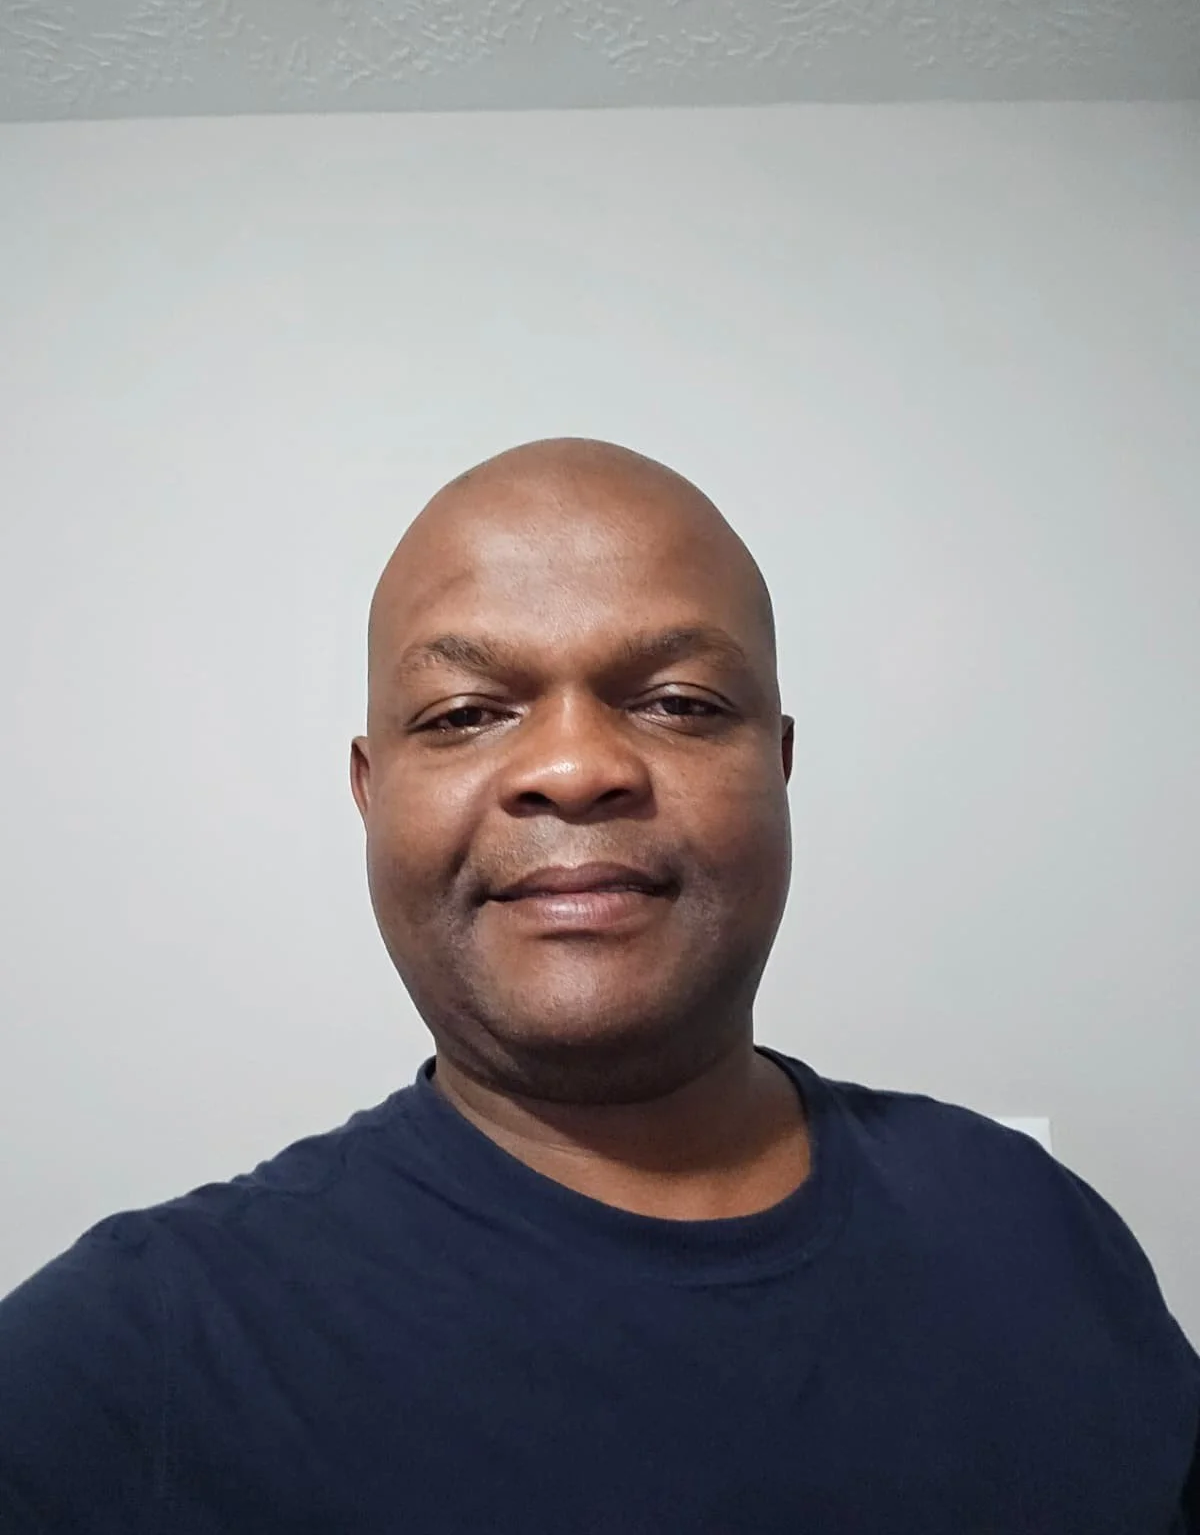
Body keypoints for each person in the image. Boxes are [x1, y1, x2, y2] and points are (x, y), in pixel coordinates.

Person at [0, 437, 1196, 1533]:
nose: (572, 769)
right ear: (371, 792)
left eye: (678, 702)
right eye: (464, 714)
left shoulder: (1036, 1227)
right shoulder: (119, 1372)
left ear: (778, 764)